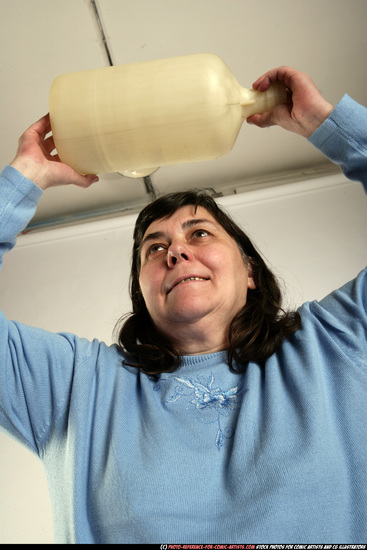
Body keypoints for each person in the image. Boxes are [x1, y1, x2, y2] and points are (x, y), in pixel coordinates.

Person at [0, 66, 366, 544]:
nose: (175, 251)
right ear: (143, 292)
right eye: (154, 248)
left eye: (200, 234)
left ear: (249, 271)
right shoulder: (73, 385)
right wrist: (23, 178)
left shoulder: (337, 343)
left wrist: (327, 123)